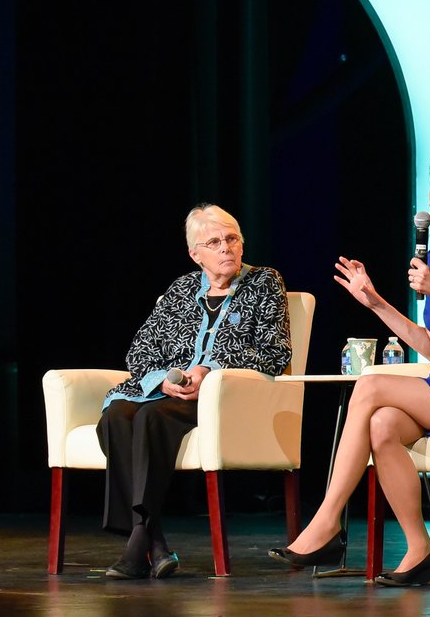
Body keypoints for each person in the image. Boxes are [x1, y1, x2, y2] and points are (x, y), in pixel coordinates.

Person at [269, 145, 430, 587]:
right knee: (383, 423)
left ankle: (328, 521)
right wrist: (376, 302)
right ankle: (419, 549)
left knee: (369, 387)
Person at [97, 203, 291, 579]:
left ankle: (140, 544)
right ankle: (152, 539)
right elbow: (140, 350)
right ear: (195, 254)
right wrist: (162, 380)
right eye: (214, 242)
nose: (225, 248)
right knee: (116, 415)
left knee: (151, 416)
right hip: (169, 392)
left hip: (226, 397)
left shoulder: (265, 282)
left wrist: (211, 370)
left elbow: (276, 350)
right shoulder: (181, 289)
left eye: (232, 238)